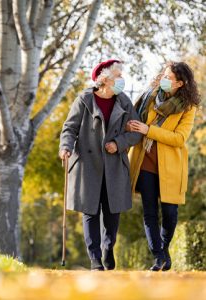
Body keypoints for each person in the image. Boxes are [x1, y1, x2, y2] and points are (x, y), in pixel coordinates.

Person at [59, 59, 142, 271]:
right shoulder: (84, 99)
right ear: (104, 80)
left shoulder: (123, 101)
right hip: (88, 165)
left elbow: (136, 132)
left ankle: (108, 248)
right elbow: (69, 128)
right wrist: (65, 147)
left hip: (114, 164)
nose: (122, 80)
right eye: (118, 76)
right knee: (90, 212)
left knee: (113, 213)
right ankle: (95, 258)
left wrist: (119, 143)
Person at [127, 61, 200, 271]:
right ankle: (158, 257)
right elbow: (133, 120)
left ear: (180, 83)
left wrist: (147, 130)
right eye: (164, 75)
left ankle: (164, 248)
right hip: (145, 162)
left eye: (169, 78)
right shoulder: (149, 98)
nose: (164, 79)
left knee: (170, 214)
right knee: (150, 212)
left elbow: (179, 138)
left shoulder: (188, 107)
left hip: (170, 168)